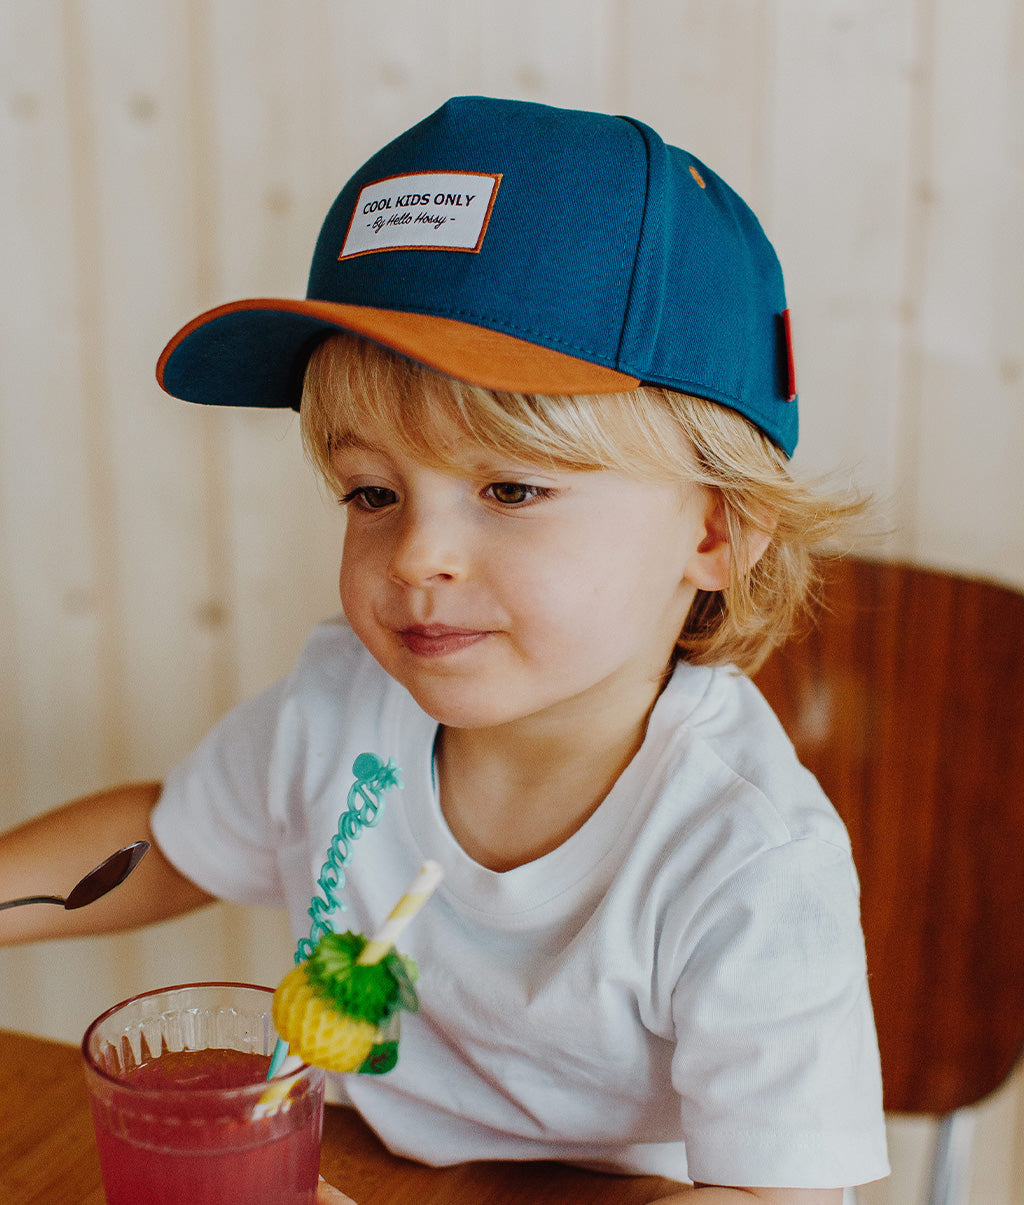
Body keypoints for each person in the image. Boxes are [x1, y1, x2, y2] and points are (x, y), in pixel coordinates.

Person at [0, 97, 889, 1203]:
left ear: (713, 530)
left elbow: (781, 1195)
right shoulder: (342, 700)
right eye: (371, 491)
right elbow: (174, 841)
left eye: (510, 487)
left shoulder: (746, 859)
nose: (416, 553)